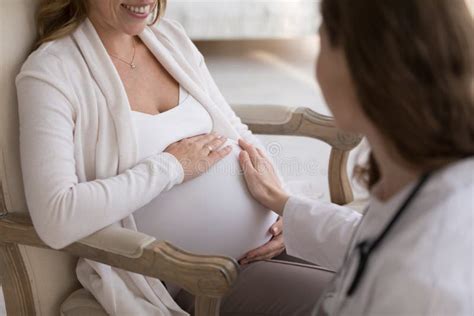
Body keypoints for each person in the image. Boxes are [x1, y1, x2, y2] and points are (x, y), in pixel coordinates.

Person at [16, 0, 333, 315]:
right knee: (352, 297)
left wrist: (283, 206)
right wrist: (172, 167)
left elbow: (234, 128)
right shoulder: (51, 72)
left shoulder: (167, 37)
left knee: (373, 266)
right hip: (204, 276)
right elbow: (55, 216)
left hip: (274, 240)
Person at [238, 0, 474, 315]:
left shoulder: (422, 284)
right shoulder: (423, 176)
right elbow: (373, 236)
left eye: (322, 38)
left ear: (365, 70)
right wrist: (284, 203)